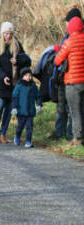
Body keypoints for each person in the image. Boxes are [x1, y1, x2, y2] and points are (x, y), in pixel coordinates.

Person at [0, 21, 31, 144]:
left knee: (9, 109)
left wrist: (17, 61)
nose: (8, 36)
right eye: (6, 33)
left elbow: (27, 60)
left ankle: (3, 134)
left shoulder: (16, 45)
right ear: (2, 34)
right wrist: (3, 77)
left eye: (10, 33)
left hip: (13, 83)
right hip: (0, 82)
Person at [48, 8, 80, 140]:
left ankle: (70, 134)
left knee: (72, 108)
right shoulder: (69, 36)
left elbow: (58, 59)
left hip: (69, 77)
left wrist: (58, 51)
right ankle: (62, 132)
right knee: (66, 107)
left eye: (67, 22)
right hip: (67, 78)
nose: (65, 25)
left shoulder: (71, 38)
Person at [55, 16, 84, 146]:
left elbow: (57, 61)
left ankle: (77, 139)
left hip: (73, 82)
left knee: (75, 111)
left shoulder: (69, 42)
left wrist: (58, 50)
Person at [11, 67, 42, 148]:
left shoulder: (33, 86)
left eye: (30, 75)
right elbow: (15, 97)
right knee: (20, 126)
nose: (28, 77)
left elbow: (38, 96)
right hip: (21, 111)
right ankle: (17, 137)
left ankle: (28, 141)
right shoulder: (19, 86)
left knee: (29, 127)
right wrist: (14, 107)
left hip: (30, 111)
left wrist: (38, 105)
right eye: (26, 75)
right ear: (22, 76)